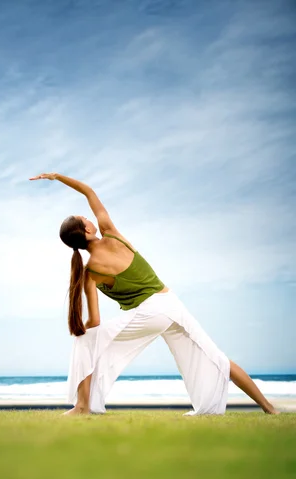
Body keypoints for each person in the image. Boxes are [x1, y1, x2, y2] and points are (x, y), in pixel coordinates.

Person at [29, 172, 279, 416]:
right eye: (83, 218)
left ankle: (82, 406)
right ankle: (268, 408)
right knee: (218, 359)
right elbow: (89, 192)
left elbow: (94, 323)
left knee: (85, 341)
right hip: (170, 305)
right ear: (86, 230)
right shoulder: (111, 233)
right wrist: (59, 177)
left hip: (150, 314)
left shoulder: (89, 273)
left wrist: (83, 329)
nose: (88, 217)